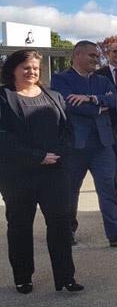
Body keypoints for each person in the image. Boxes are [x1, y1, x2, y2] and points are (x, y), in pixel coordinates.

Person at [0, 49, 83, 294]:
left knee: (60, 224)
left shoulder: (54, 96)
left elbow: (67, 131)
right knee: (20, 226)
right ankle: (23, 277)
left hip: (54, 172)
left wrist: (57, 155)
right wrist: (38, 157)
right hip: (18, 175)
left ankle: (66, 278)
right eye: (26, 67)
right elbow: (3, 138)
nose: (32, 71)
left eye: (35, 67)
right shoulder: (3, 97)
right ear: (13, 69)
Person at [51, 41, 117, 247]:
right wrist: (98, 108)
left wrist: (91, 98)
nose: (97, 59)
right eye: (92, 56)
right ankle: (67, 230)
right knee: (70, 191)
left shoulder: (102, 80)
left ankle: (116, 232)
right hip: (74, 146)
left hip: (103, 145)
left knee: (108, 190)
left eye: (97, 56)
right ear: (77, 55)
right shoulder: (61, 79)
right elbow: (67, 104)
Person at [96, 42, 117, 212]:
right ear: (108, 53)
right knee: (112, 163)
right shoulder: (99, 74)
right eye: (115, 52)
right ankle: (115, 197)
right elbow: (100, 97)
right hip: (107, 123)